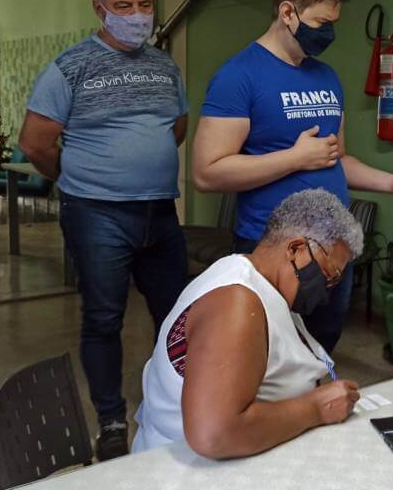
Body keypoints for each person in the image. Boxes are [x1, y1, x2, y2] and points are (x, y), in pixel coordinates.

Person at [192, 0, 393, 353]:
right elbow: (207, 172)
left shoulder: (326, 76)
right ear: (288, 12)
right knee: (267, 358)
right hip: (275, 252)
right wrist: (294, 158)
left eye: (333, 23)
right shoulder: (239, 76)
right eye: (322, 23)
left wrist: (391, 182)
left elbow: (335, 157)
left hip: (333, 249)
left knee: (319, 353)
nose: (329, 33)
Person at [18, 0, 190, 461]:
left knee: (179, 315)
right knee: (102, 318)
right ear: (100, 7)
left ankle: (176, 402)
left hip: (159, 211)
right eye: (123, 6)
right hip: (97, 214)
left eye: (143, 4)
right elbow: (35, 143)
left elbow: (175, 128)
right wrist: (75, 177)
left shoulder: (164, 65)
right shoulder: (70, 66)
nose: (137, 14)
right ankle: (112, 420)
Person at [132, 189, 362, 458]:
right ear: (296, 249)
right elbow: (214, 434)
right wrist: (316, 409)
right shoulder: (236, 302)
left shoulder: (256, 280)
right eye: (327, 275)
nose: (327, 289)